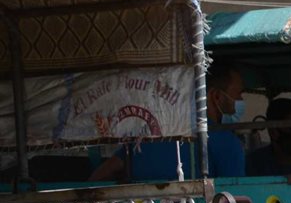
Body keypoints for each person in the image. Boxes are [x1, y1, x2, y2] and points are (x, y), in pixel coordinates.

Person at [89, 60, 247, 181]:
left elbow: (103, 173)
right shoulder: (227, 142)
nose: (241, 100)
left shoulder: (149, 135)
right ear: (216, 96)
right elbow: (234, 196)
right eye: (238, 94)